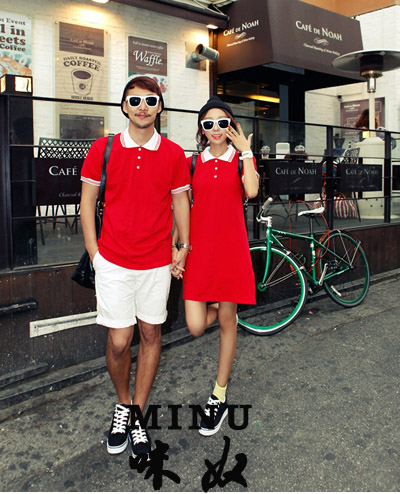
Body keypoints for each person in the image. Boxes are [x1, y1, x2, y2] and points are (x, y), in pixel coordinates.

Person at [80, 76, 191, 458]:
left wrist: (183, 247)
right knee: (119, 340)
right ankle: (123, 404)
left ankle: (137, 414)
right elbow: (87, 201)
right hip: (112, 260)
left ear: (160, 107)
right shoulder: (104, 148)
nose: (143, 107)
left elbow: (180, 203)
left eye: (150, 100)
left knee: (150, 333)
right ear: (124, 107)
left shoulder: (173, 153)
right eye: (135, 100)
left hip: (157, 262)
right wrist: (95, 253)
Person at [173, 96, 259, 436]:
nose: (216, 129)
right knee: (195, 325)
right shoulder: (193, 163)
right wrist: (177, 247)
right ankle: (227, 314)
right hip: (199, 252)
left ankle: (219, 394)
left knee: (226, 322)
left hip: (231, 251)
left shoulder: (241, 160)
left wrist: (247, 152)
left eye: (222, 122)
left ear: (231, 125)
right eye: (208, 124)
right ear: (201, 129)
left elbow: (251, 191)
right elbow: (180, 207)